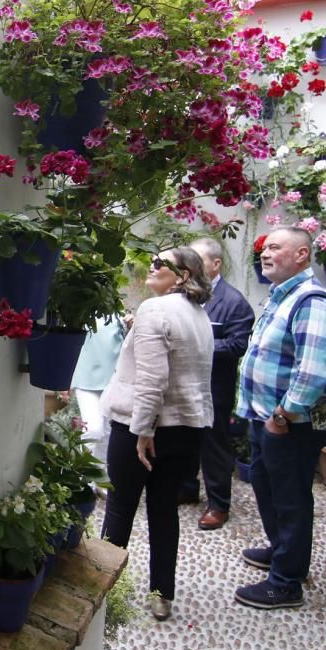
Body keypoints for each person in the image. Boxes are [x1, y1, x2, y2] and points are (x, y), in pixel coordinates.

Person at [100, 247, 214, 622]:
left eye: (160, 262)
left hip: (145, 429)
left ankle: (99, 593)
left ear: (182, 276)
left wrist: (143, 430)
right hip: (187, 429)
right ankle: (161, 595)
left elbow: (152, 381)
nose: (151, 265)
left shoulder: (155, 309)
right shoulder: (198, 314)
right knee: (164, 510)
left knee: (120, 509)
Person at [234, 226, 326, 610]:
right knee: (268, 488)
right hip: (268, 419)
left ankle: (286, 582)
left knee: (290, 499)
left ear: (302, 255)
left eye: (275, 247)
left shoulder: (311, 301)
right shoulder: (283, 297)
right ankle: (283, 553)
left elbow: (311, 372)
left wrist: (282, 416)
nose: (264, 252)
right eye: (263, 247)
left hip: (290, 423)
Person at [177, 237, 255, 529]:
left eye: (197, 260)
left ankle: (218, 504)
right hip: (182, 384)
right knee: (184, 439)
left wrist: (199, 345)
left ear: (215, 264)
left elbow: (236, 346)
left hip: (214, 388)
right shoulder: (182, 295)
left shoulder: (234, 302)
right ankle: (186, 488)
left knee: (215, 446)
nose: (190, 266)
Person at [69, 315, 128, 481]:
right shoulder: (82, 311)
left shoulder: (117, 313)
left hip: (112, 380)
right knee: (93, 429)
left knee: (109, 432)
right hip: (85, 379)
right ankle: (83, 477)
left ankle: (101, 477)